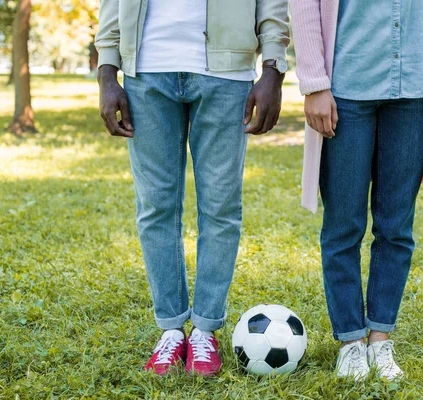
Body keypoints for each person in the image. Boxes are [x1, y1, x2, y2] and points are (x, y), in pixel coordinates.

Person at [95, 0, 289, 376]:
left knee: (220, 206)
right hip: (146, 73)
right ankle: (171, 329)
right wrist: (107, 73)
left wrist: (273, 68)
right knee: (156, 207)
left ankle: (204, 330)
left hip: (226, 73)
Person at [291, 0, 423, 380]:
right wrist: (314, 83)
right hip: (347, 89)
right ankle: (350, 343)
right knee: (343, 226)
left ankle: (379, 340)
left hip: (413, 90)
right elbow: (304, 7)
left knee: (396, 228)